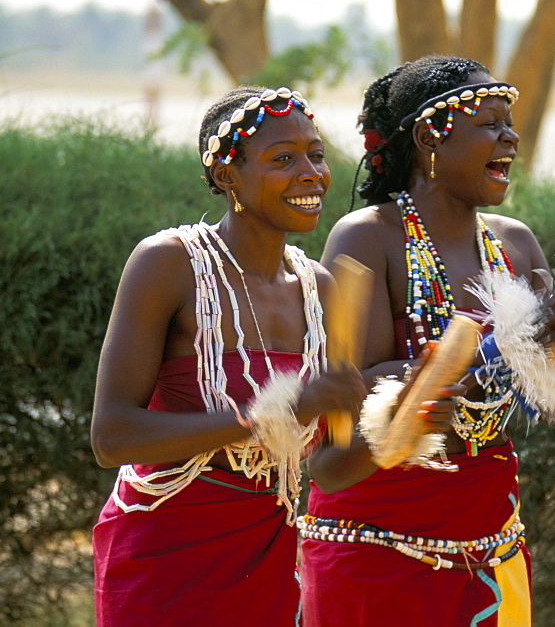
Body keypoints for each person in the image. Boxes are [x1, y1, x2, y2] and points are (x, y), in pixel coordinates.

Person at [299, 56, 555, 626]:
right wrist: (498, 351)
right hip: (374, 550)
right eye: (490, 122)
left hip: (491, 548)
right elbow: (343, 414)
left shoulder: (514, 243)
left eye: (509, 122)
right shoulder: (369, 236)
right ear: (427, 137)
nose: (510, 136)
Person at [90, 86, 367, 626]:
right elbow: (111, 436)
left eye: (316, 153)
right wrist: (267, 418)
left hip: (268, 555)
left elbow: (331, 470)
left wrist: (410, 419)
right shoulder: (169, 265)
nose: (312, 172)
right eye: (282, 159)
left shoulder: (322, 289)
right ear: (226, 175)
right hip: (163, 557)